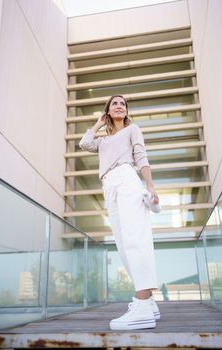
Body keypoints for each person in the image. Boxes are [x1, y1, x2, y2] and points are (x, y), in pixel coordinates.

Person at [79, 95, 160, 330]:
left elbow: (141, 155)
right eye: (114, 103)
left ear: (126, 111)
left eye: (122, 104)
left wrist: (150, 185)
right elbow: (84, 143)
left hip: (126, 178)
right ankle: (151, 303)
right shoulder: (102, 142)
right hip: (109, 185)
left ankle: (143, 304)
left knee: (136, 238)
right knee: (123, 245)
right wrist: (97, 123)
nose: (119, 106)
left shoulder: (132, 129)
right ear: (107, 111)